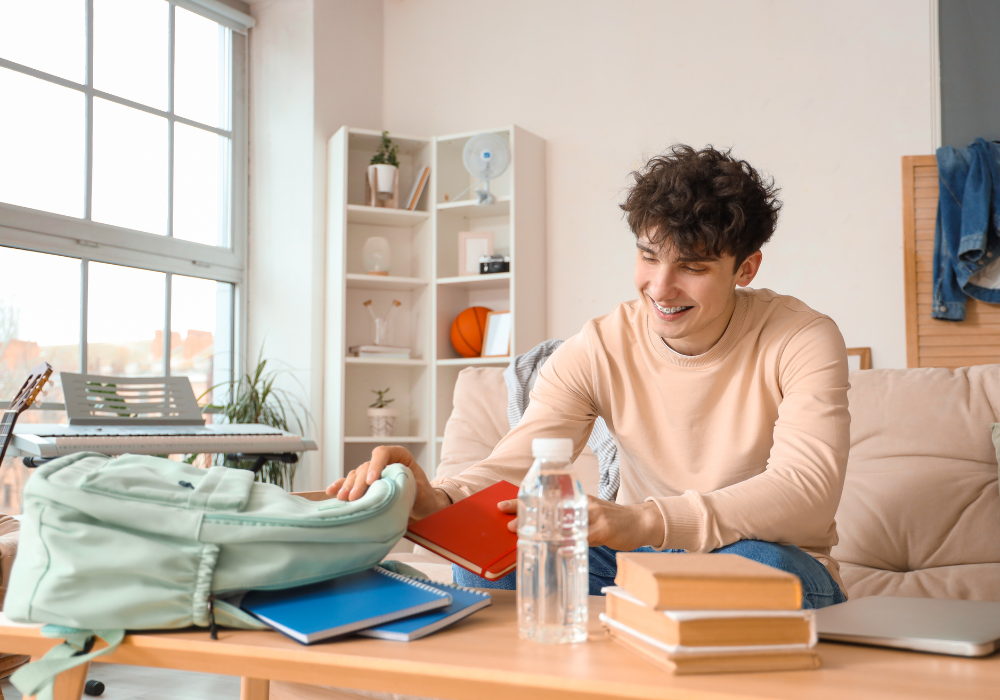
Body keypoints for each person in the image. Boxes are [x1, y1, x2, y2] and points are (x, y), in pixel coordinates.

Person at [327, 144, 850, 609]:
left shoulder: (802, 337)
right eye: (649, 256)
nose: (660, 288)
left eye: (692, 267)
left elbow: (805, 491)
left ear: (746, 268)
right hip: (640, 558)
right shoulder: (600, 346)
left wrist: (642, 520)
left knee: (760, 567)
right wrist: (437, 499)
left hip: (759, 555)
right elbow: (518, 461)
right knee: (492, 560)